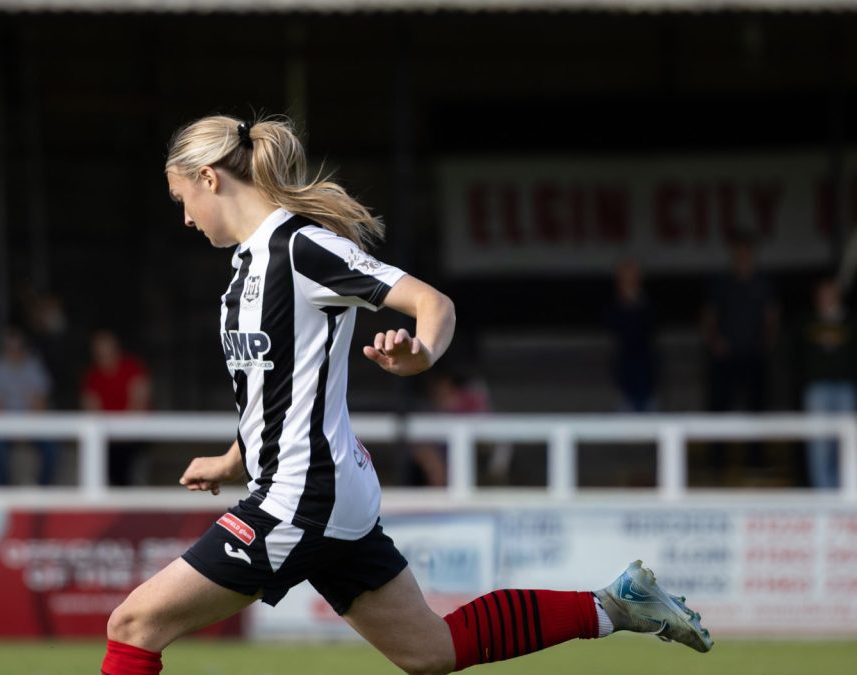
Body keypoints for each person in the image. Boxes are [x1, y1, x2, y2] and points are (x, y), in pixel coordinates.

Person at [101, 115, 712, 675]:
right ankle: (615, 606)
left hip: (305, 493)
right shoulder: (245, 269)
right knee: (430, 652)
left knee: (134, 624)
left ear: (208, 177)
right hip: (319, 487)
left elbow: (432, 304)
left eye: (183, 200)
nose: (184, 218)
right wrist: (233, 459)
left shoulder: (302, 249)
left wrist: (421, 354)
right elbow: (281, 388)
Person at [701, 232, 780, 469]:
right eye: (740, 251)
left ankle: (756, 460)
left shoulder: (763, 282)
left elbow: (772, 315)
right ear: (734, 254)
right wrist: (714, 341)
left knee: (757, 408)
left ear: (753, 254)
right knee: (719, 407)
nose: (743, 255)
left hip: (754, 354)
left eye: (748, 251)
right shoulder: (722, 282)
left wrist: (767, 341)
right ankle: (718, 460)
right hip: (726, 355)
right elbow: (708, 315)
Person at [796, 277, 856, 489]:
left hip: (846, 389)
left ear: (838, 296)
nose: (825, 298)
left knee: (847, 443)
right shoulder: (806, 322)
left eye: (830, 294)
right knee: (819, 444)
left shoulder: (851, 322)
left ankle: (846, 493)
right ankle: (823, 495)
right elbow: (796, 356)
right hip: (817, 389)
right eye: (822, 294)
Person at [0, 326, 58, 486]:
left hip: (33, 424)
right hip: (4, 425)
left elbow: (40, 401)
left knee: (52, 445)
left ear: (24, 346)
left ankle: (41, 490)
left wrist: (26, 428)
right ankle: (5, 492)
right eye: (10, 346)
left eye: (18, 346)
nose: (14, 350)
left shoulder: (34, 367)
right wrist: (11, 428)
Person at [82, 330, 154, 486]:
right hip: (108, 437)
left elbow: (139, 404)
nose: (104, 355)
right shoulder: (92, 377)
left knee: (126, 461)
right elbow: (92, 410)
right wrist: (110, 433)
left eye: (108, 349)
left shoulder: (133, 367)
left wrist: (123, 431)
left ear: (116, 349)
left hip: (134, 434)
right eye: (99, 351)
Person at [606, 258, 658, 412]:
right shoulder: (613, 308)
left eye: (632, 277)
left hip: (647, 376)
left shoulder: (648, 305)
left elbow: (648, 329)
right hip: (623, 377)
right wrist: (625, 303)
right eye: (625, 278)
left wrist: (635, 303)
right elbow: (616, 330)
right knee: (625, 427)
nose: (629, 282)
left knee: (650, 427)